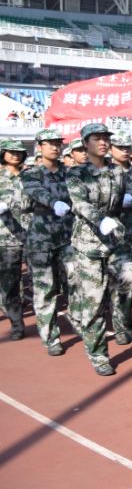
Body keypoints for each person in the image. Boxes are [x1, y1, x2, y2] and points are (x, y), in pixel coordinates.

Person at [64, 123, 132, 376]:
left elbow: (130, 192)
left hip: (116, 241)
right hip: (89, 243)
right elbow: (80, 203)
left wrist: (130, 197)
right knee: (94, 301)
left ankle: (121, 326)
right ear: (86, 143)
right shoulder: (76, 174)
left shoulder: (117, 171)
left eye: (106, 138)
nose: (104, 142)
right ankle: (97, 353)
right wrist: (100, 219)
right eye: (97, 138)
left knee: (129, 279)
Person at [20, 129, 71, 356]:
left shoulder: (69, 173)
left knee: (77, 282)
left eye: (57, 143)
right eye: (49, 143)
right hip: (41, 241)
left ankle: (80, 321)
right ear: (40, 146)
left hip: (67, 238)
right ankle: (51, 337)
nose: (54, 147)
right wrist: (54, 202)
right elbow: (37, 193)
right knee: (45, 290)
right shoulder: (31, 174)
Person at [106, 131, 132, 345]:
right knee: (126, 279)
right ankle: (121, 325)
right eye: (120, 147)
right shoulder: (106, 173)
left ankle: (124, 319)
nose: (125, 150)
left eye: (128, 147)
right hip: (115, 237)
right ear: (111, 149)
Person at [0, 140, 27, 340]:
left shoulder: (31, 176)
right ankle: (17, 324)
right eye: (11, 152)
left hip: (35, 236)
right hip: (7, 239)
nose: (16, 155)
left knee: (47, 283)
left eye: (19, 152)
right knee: (10, 285)